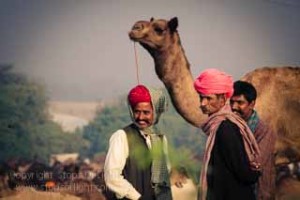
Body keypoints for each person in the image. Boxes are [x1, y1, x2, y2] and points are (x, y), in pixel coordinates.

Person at [193, 68, 261, 200]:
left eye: (208, 98)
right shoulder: (218, 126)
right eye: (201, 97)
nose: (203, 103)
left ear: (223, 98)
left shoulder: (225, 128)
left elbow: (244, 173)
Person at [104, 84, 172, 200]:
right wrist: (136, 197)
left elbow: (165, 175)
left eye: (146, 112)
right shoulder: (122, 136)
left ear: (155, 112)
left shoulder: (160, 139)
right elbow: (112, 176)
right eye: (137, 112)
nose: (140, 117)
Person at [230, 80, 276, 200]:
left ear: (252, 104)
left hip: (258, 193)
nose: (234, 107)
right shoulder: (230, 127)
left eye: (240, 102)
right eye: (232, 102)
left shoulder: (264, 131)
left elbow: (256, 163)